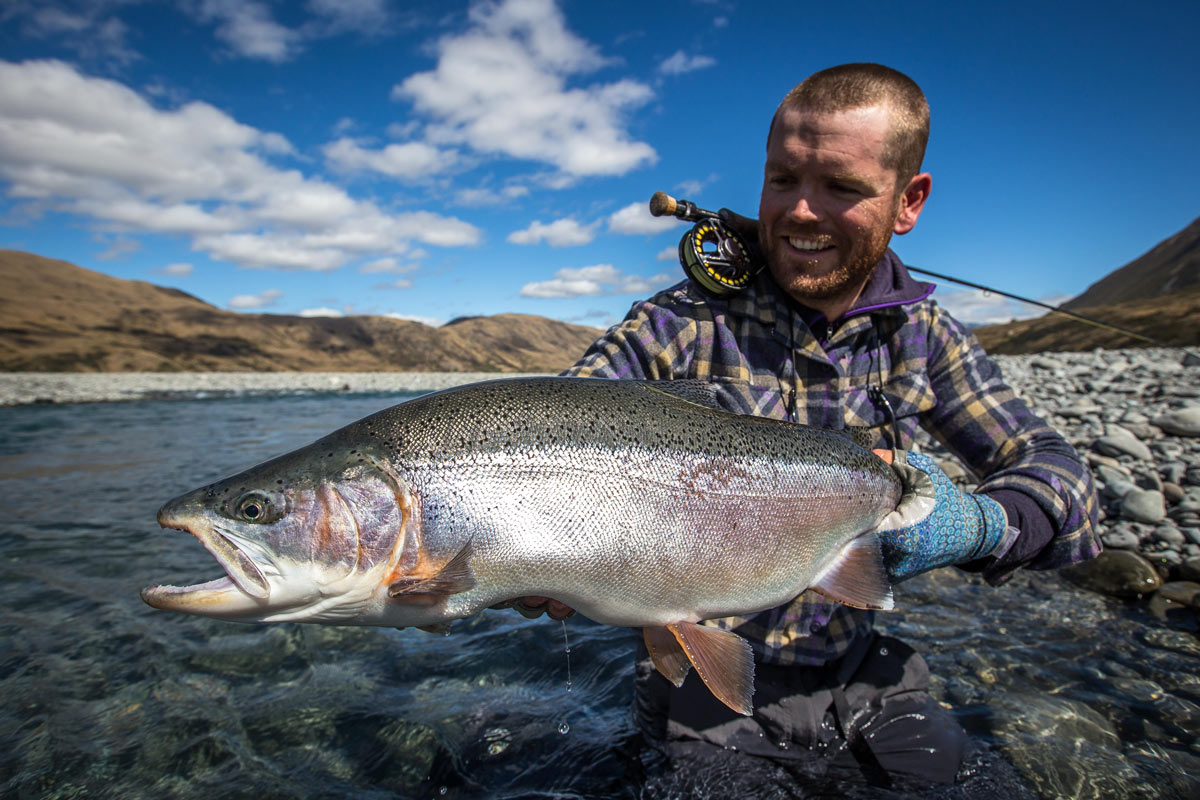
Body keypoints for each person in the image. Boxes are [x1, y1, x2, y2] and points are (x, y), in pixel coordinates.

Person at [517, 63, 1100, 787]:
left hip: (870, 677)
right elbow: (549, 431)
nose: (799, 213)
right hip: (698, 684)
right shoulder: (675, 326)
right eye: (783, 179)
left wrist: (976, 526)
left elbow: (1066, 485)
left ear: (908, 200)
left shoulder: (925, 335)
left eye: (842, 188)